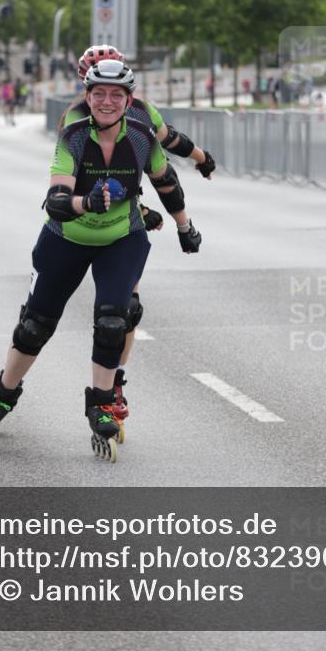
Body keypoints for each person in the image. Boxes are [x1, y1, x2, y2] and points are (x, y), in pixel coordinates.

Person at [0, 59, 202, 463]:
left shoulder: (142, 136)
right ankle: (1, 395)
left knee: (114, 319)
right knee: (34, 327)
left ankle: (102, 401)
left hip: (122, 238)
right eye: (99, 94)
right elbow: (56, 201)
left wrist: (184, 226)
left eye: (116, 95)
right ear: (87, 97)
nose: (107, 102)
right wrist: (84, 202)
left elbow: (165, 182)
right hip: (65, 238)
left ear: (129, 99)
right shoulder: (73, 135)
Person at [65, 45, 216, 417]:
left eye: (116, 87)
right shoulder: (74, 117)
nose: (107, 96)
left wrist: (202, 158)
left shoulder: (141, 109)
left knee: (125, 312)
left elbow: (169, 144)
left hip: (123, 221)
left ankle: (114, 382)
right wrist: (146, 209)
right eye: (97, 85)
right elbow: (75, 181)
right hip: (84, 219)